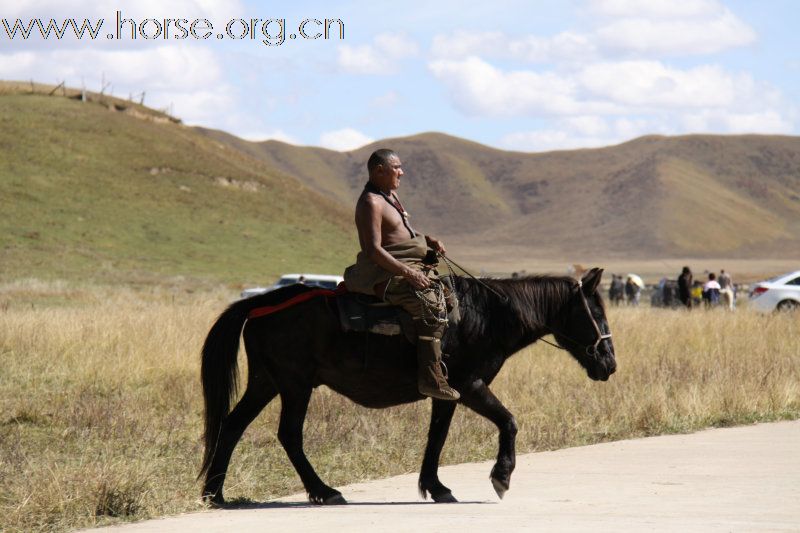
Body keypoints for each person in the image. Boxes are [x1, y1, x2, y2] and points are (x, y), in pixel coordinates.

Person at [343, 149, 459, 401]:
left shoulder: (390, 195)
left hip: (405, 262)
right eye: (396, 167)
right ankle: (430, 378)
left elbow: (402, 229)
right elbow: (372, 250)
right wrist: (409, 273)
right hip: (379, 272)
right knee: (429, 305)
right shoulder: (370, 202)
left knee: (450, 296)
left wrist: (427, 240)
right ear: (379, 171)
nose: (401, 172)